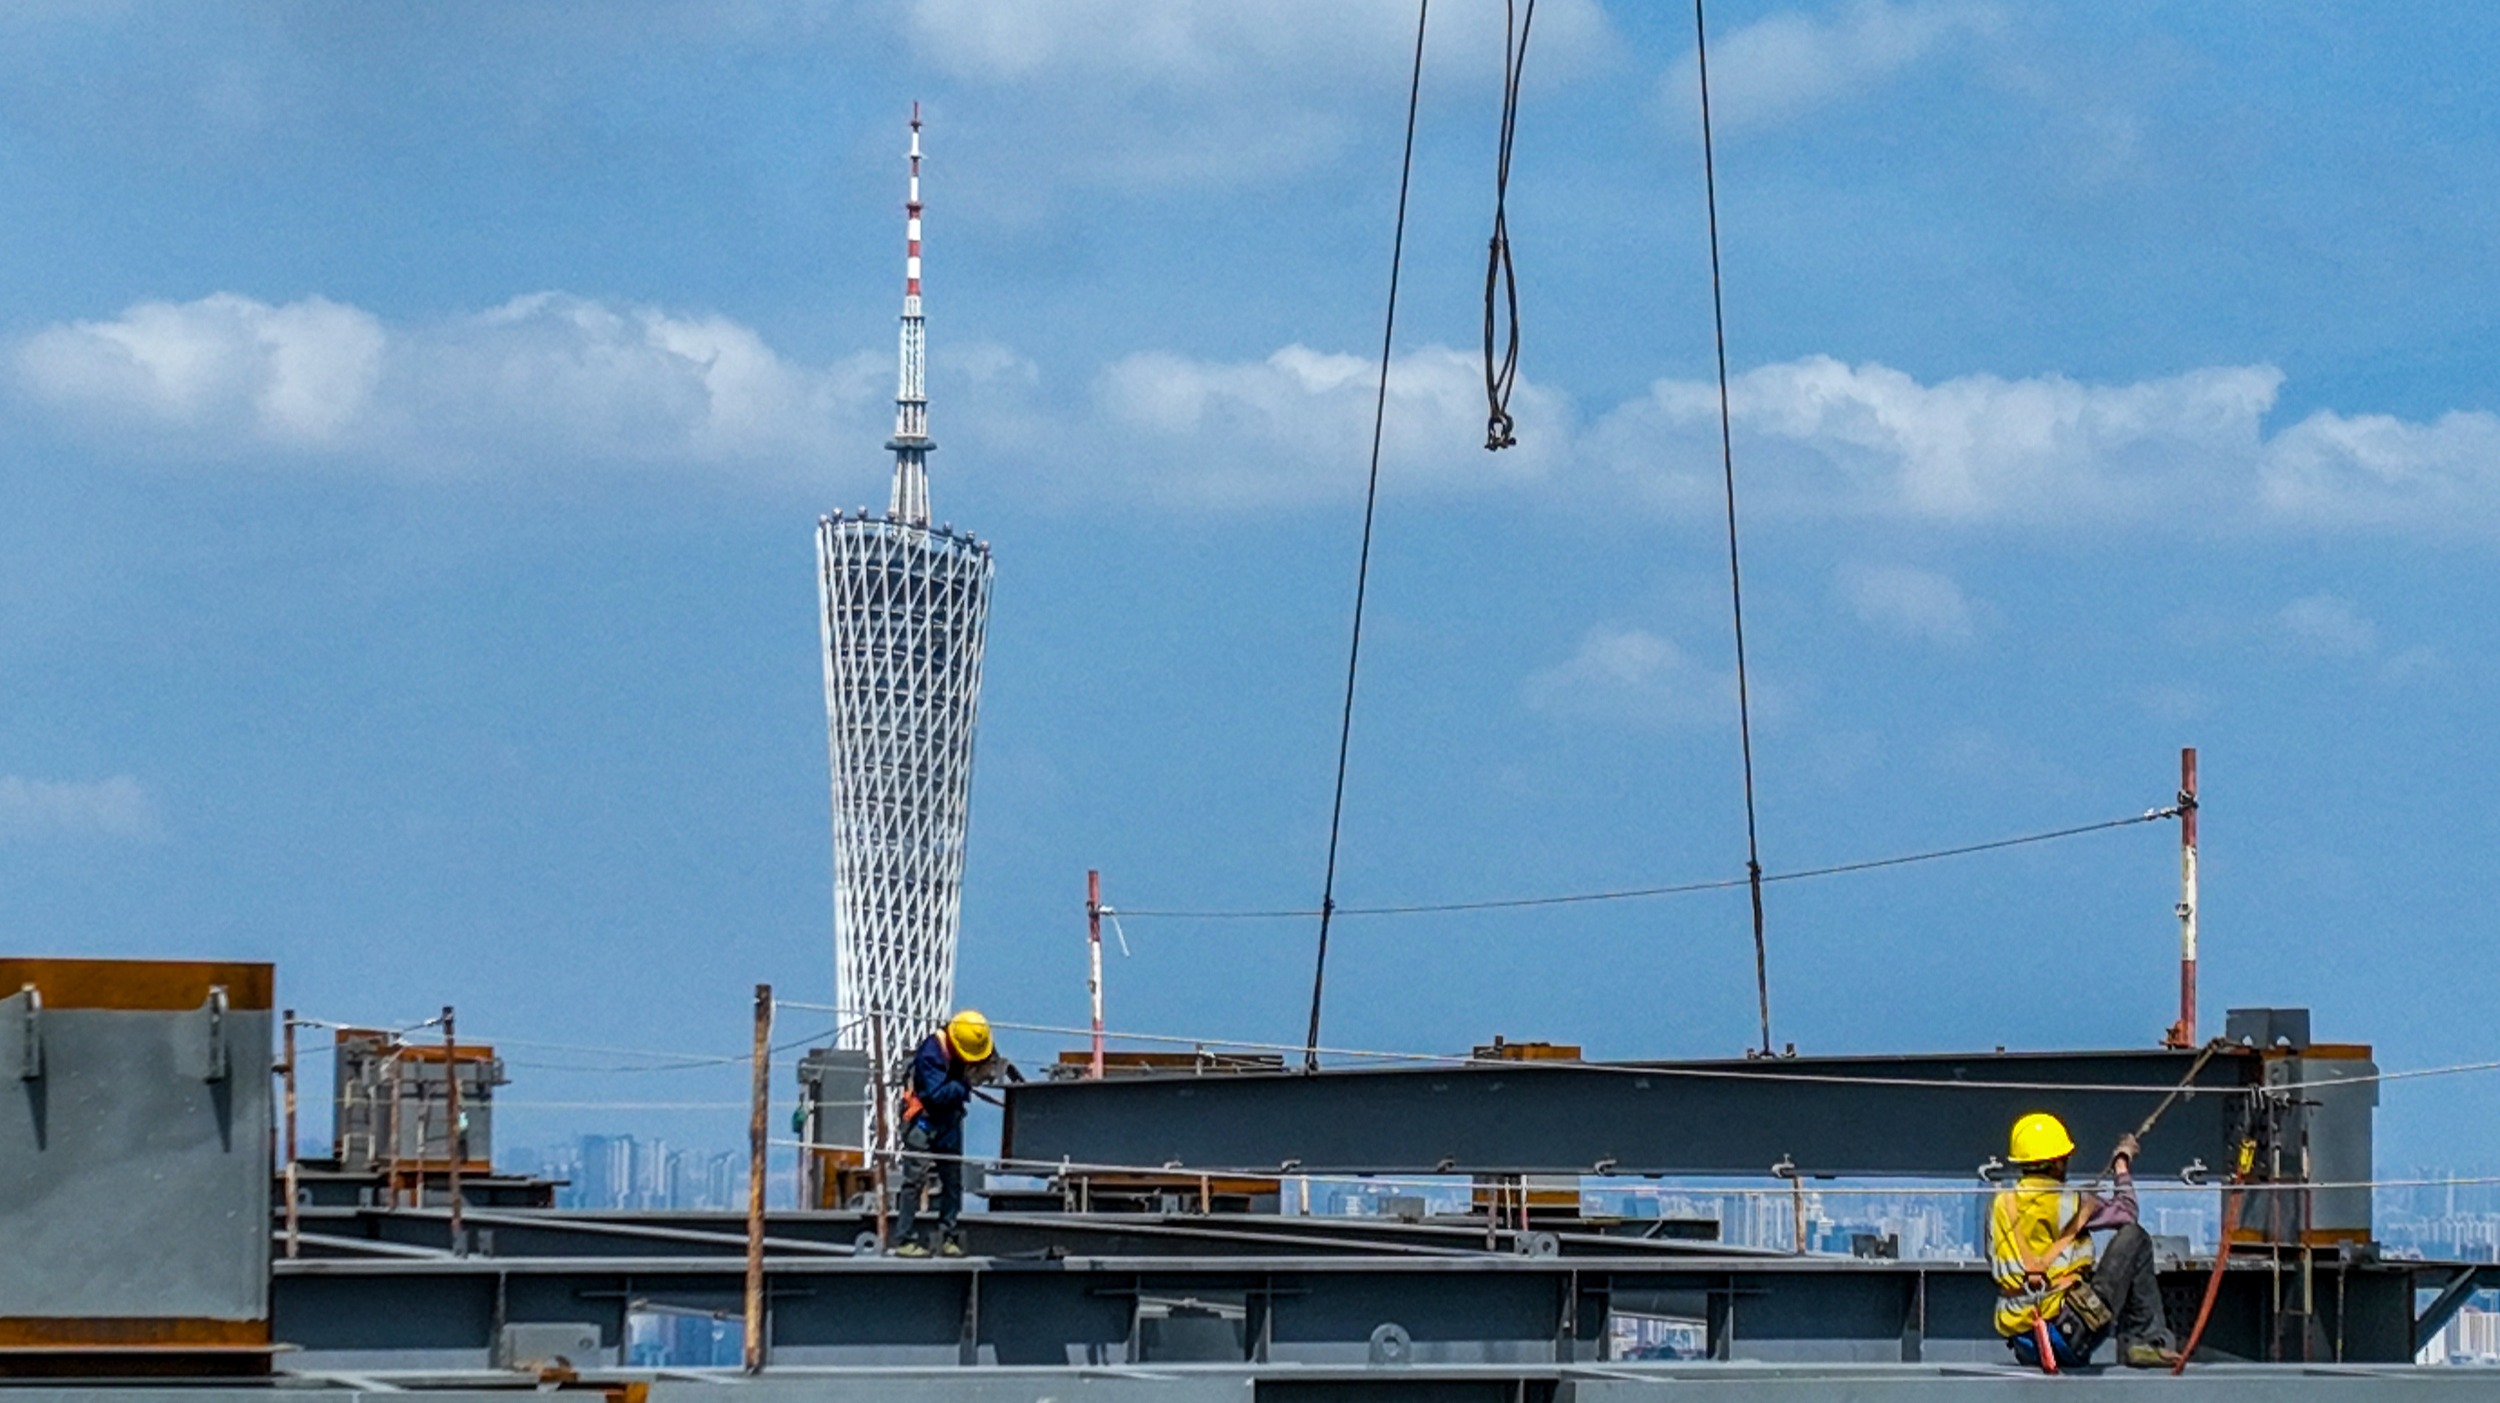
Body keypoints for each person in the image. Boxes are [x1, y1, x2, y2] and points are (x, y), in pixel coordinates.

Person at [1987, 1111, 2182, 1370]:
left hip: (2026, 1340)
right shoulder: (2072, 1201)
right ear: (2057, 1162)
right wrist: (2121, 1165)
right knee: (2134, 1238)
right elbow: (2127, 1212)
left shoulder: (2000, 1203)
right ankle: (2146, 1340)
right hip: (2070, 1334)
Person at [890, 1009, 992, 1257]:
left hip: (948, 1123)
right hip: (923, 1123)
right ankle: (904, 1239)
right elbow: (935, 1094)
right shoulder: (931, 1054)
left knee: (953, 1181)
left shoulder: (972, 1042)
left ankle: (949, 1235)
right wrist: (965, 1085)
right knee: (914, 1181)